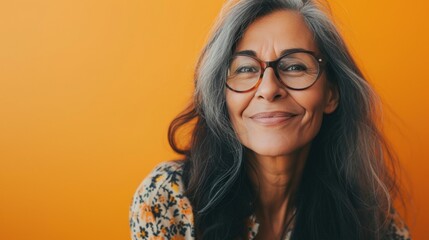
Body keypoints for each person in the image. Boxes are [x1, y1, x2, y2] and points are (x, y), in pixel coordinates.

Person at [129, 0, 412, 239]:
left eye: (294, 66)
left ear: (331, 95)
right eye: (247, 69)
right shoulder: (168, 199)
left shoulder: (371, 220)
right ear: (222, 97)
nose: (268, 88)